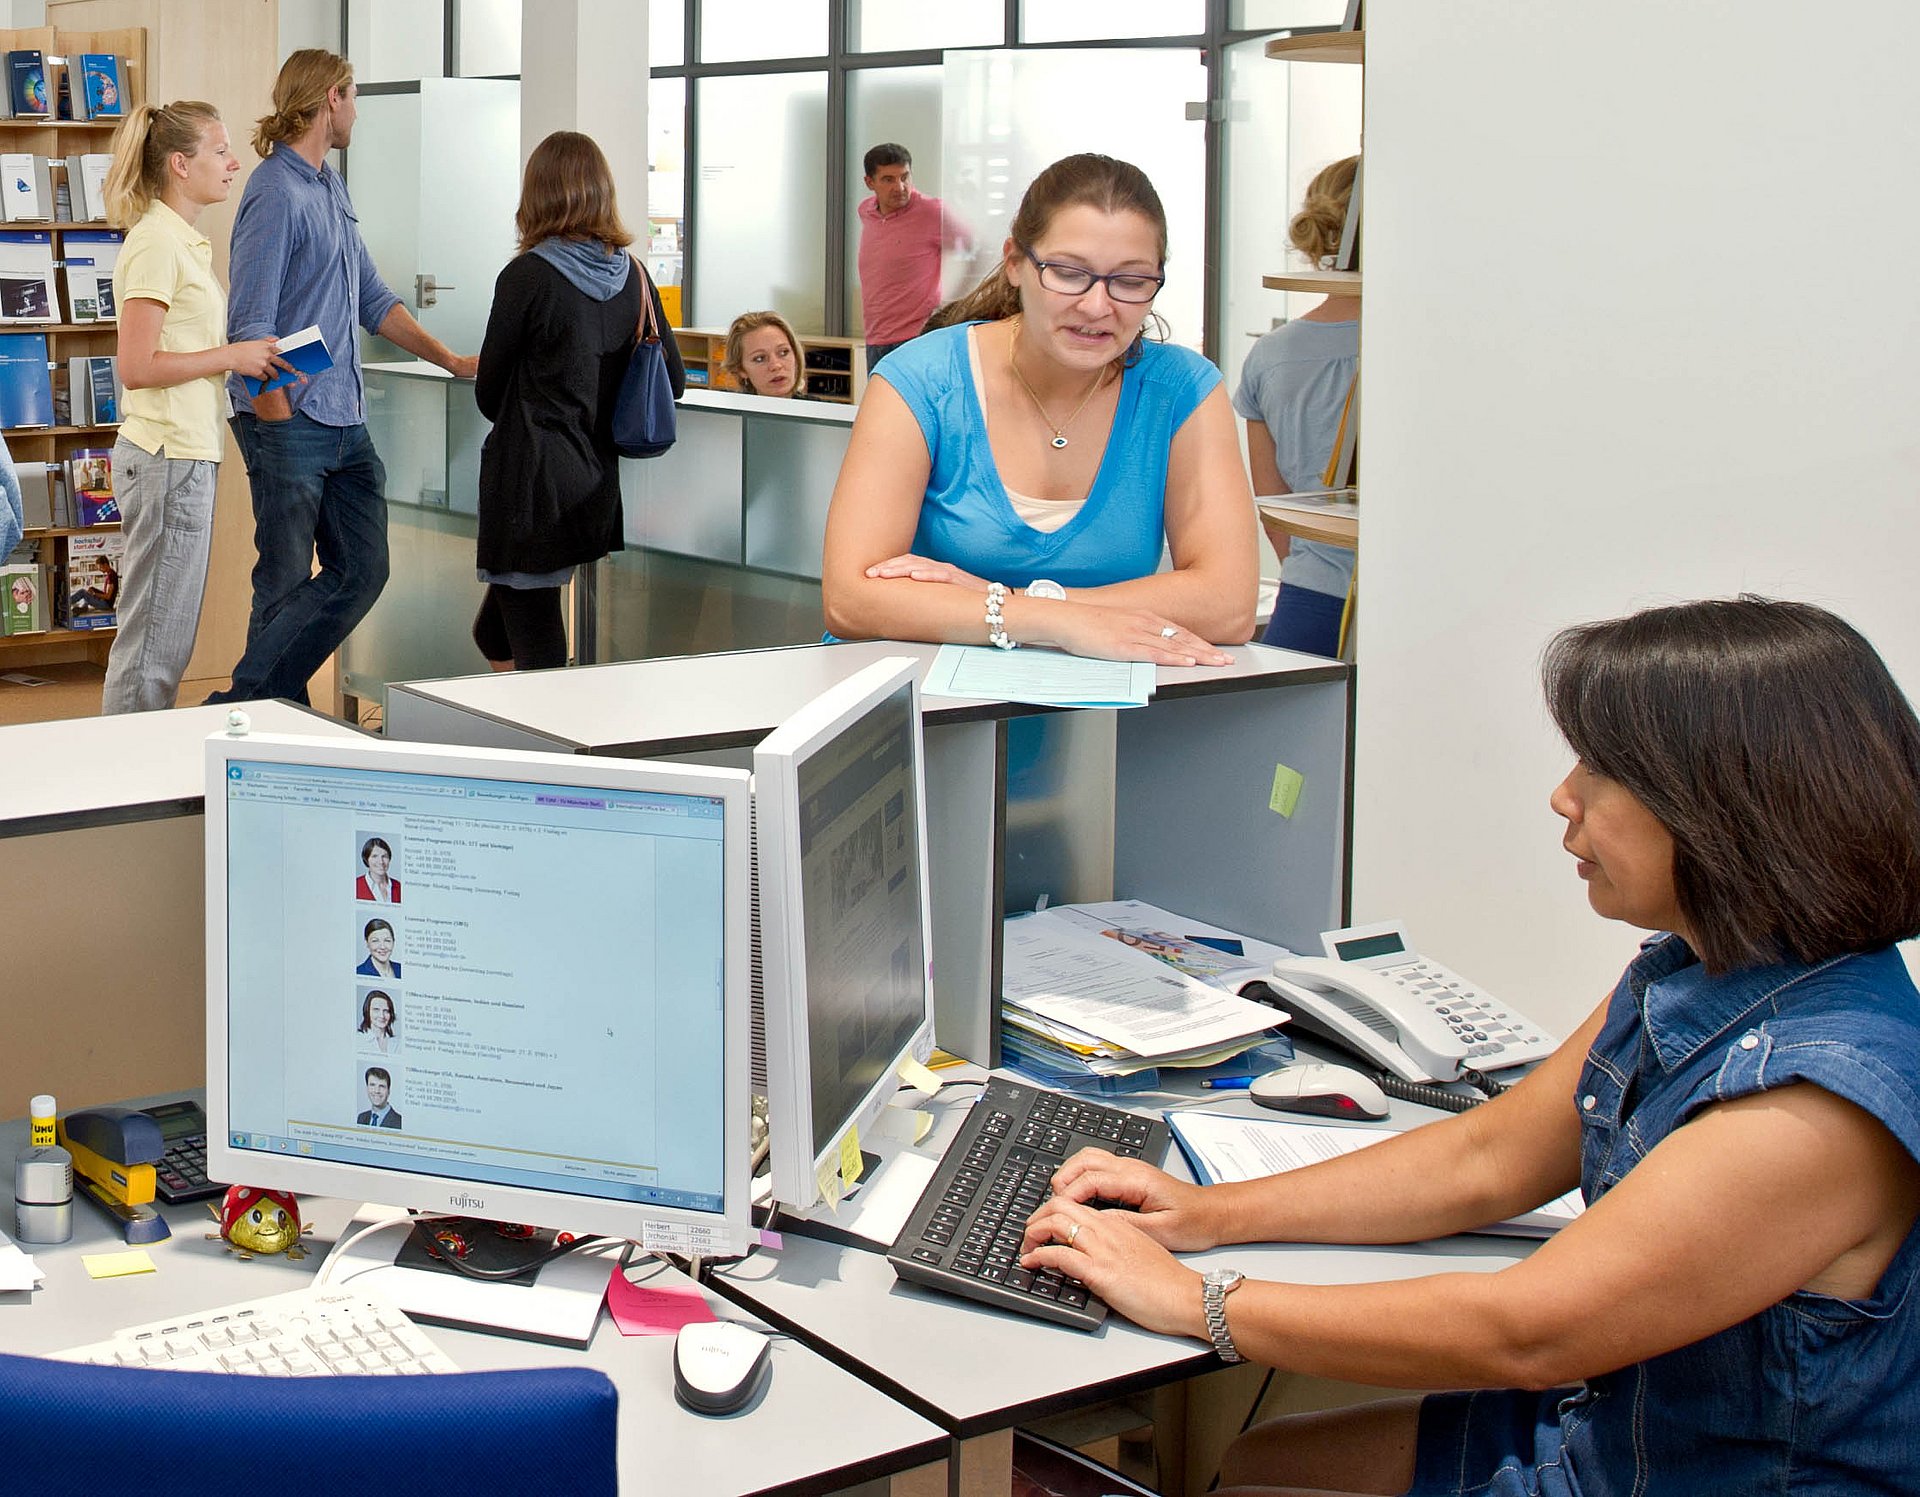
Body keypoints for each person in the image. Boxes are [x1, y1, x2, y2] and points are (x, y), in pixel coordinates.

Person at [1016, 596, 1920, 1497]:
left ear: (1721, 811)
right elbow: (1490, 1155)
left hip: (1727, 1475)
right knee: (1259, 1459)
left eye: (1603, 770)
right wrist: (1210, 1213)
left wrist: (1194, 1301)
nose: (1564, 795)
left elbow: (1527, 1331)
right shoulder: (1703, 963)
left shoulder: (1811, 1110)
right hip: (1624, 1430)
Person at [822, 152, 1257, 664]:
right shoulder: (922, 377)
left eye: (1132, 281)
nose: (1098, 306)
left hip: (1094, 707)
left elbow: (1228, 606)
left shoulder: (1183, 389)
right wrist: (1058, 622)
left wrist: (1011, 602)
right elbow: (850, 601)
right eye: (1069, 274)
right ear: (1014, 263)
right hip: (915, 704)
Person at [212, 50, 477, 707]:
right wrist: (273, 424)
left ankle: (249, 701)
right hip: (287, 419)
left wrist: (454, 361)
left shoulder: (331, 186)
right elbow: (250, 324)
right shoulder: (273, 191)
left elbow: (373, 299)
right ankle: (269, 719)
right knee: (281, 578)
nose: (358, 108)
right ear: (331, 97)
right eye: (354, 95)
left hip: (342, 417)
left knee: (362, 566)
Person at [99, 101, 290, 713]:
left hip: (183, 459)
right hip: (166, 460)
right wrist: (231, 355)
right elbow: (137, 366)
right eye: (220, 151)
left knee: (164, 646)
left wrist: (244, 356)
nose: (235, 163)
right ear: (180, 165)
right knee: (152, 650)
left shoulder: (182, 242)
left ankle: (131, 781)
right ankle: (123, 795)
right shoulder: (156, 243)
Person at [472, 130, 683, 673]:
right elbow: (673, 381)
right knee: (496, 626)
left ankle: (548, 751)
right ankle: (500, 732)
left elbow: (489, 393)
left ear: (536, 194)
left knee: (539, 648)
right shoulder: (636, 276)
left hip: (531, 480)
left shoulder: (527, 277)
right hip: (593, 482)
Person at [1234, 156, 1360, 659]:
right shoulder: (1422, 353)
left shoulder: (1271, 355)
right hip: (1412, 604)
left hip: (1306, 603)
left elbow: (1275, 508)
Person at [856, 142, 969, 372]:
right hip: (875, 337)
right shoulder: (866, 211)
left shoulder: (932, 211)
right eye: (888, 179)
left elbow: (972, 249)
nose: (900, 187)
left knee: (917, 407)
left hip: (917, 337)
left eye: (905, 177)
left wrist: (953, 304)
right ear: (870, 182)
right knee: (882, 407)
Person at [723, 311, 807, 398]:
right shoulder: (724, 409)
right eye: (760, 358)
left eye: (783, 352)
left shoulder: (819, 409)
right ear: (741, 369)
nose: (776, 366)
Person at [354, 836, 400, 903]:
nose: (381, 861)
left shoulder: (399, 886)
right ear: (366, 859)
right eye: (374, 856)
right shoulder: (355, 885)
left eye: (384, 856)